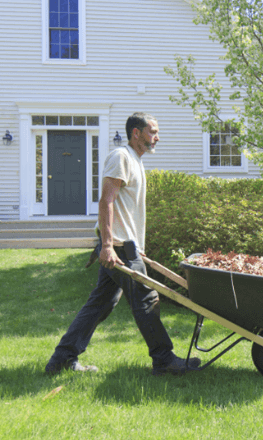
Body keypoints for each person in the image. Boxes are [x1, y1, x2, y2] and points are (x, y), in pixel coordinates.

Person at [45, 112, 200, 375]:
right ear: (136, 133)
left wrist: (137, 243)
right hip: (117, 247)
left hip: (125, 246)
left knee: (100, 304)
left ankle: (62, 359)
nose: (157, 137)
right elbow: (107, 201)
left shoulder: (136, 161)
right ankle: (163, 360)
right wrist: (107, 246)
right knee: (147, 299)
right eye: (152, 131)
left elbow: (126, 209)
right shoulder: (121, 157)